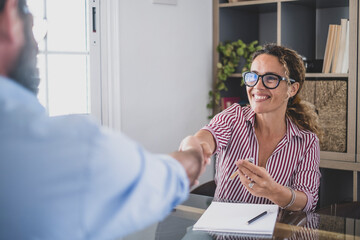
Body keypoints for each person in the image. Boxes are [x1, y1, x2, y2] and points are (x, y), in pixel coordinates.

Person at [0, 0, 210, 239]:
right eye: (33, 27)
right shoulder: (71, 150)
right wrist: (194, 149)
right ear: (10, 14)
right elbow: (174, 174)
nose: (37, 46)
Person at [180, 43, 322, 212]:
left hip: (275, 234)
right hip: (221, 233)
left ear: (292, 89)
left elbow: (308, 201)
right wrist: (195, 147)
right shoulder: (233, 118)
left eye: (270, 78)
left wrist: (274, 191)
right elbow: (208, 136)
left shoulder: (306, 142)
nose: (257, 86)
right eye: (253, 77)